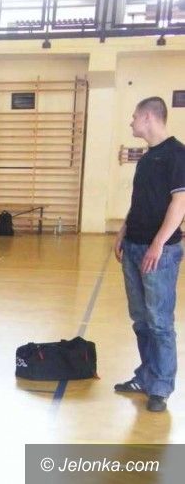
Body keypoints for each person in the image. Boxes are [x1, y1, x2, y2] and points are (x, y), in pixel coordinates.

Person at [113, 96, 185, 413]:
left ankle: (161, 386)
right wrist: (123, 231)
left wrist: (157, 244)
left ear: (148, 117)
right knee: (141, 320)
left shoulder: (177, 155)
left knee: (159, 322)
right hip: (133, 246)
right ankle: (146, 375)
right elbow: (140, 202)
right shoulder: (145, 159)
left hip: (160, 253)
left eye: (134, 117)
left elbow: (180, 203)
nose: (131, 122)